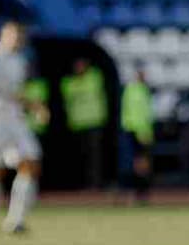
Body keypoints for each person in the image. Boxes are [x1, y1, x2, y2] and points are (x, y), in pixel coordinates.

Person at [0, 21, 44, 242]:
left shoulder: (20, 61)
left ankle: (16, 221)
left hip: (14, 116)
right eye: (13, 35)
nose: (16, 40)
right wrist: (9, 95)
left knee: (31, 161)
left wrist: (33, 105)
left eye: (20, 37)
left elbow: (17, 92)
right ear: (4, 35)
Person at [59, 56, 108, 189]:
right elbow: (67, 92)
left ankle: (95, 184)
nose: (79, 68)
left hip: (94, 122)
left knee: (95, 158)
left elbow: (90, 87)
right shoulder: (68, 82)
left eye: (82, 65)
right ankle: (80, 183)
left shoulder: (94, 77)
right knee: (80, 157)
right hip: (77, 125)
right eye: (77, 65)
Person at [118, 63, 154, 203]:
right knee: (137, 163)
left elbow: (146, 113)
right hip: (134, 130)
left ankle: (140, 191)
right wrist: (140, 131)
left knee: (142, 163)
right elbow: (134, 112)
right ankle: (135, 191)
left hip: (141, 130)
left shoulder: (143, 90)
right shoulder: (132, 89)